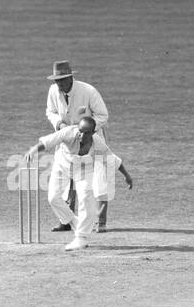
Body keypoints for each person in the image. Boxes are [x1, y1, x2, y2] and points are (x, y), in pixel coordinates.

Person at [28, 116, 131, 251]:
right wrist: (33, 151)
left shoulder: (98, 143)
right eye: (80, 131)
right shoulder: (68, 133)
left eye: (86, 132)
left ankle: (81, 238)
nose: (82, 135)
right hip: (61, 166)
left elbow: (112, 159)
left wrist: (127, 176)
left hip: (83, 170)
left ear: (93, 133)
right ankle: (76, 224)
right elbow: (48, 142)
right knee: (53, 198)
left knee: (86, 198)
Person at [43, 60, 110, 231]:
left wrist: (85, 129)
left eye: (63, 80)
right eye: (57, 80)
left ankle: (99, 222)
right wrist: (60, 125)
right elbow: (50, 111)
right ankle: (67, 221)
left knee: (96, 180)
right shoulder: (53, 91)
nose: (59, 84)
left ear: (71, 77)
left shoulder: (88, 91)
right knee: (66, 179)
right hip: (66, 141)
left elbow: (103, 115)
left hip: (90, 141)